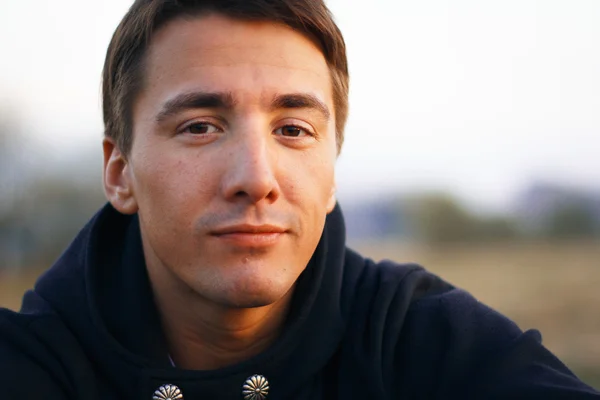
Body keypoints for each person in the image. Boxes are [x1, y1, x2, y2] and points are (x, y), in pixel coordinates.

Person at [0, 0, 598, 398]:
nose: (257, 178)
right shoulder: (31, 367)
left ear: (333, 170)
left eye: (293, 130)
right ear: (119, 172)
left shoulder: (424, 342)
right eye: (200, 126)